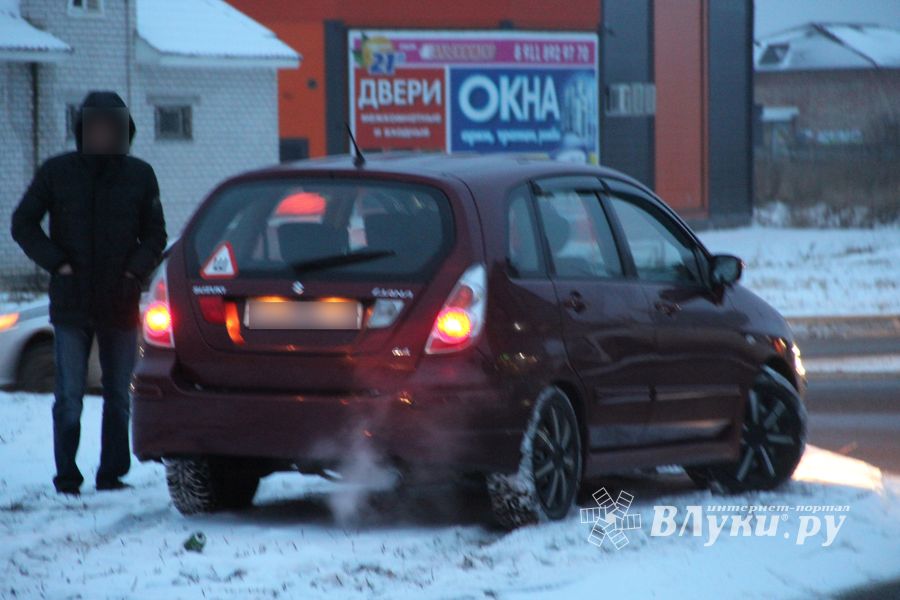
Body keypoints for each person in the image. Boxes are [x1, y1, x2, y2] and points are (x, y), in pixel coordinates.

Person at [11, 91, 166, 495]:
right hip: (71, 303)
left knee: (118, 394)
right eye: (94, 127)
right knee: (69, 397)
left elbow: (155, 235)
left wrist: (134, 272)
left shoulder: (139, 175)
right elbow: (23, 223)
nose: (101, 135)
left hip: (120, 301)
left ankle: (112, 474)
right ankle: (67, 477)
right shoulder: (57, 172)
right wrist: (57, 263)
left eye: (109, 127)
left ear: (123, 131)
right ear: (82, 130)